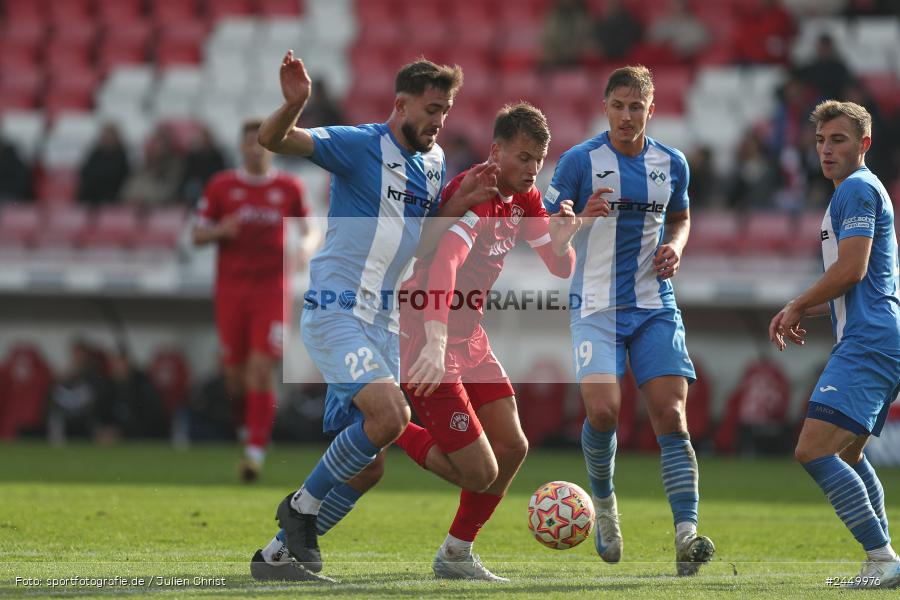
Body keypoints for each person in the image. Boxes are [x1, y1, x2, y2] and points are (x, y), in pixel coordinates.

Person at [250, 51, 499, 582]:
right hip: (338, 309)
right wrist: (294, 105)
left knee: (369, 466)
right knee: (391, 417)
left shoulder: (432, 164)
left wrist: (460, 205)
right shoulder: (360, 145)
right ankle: (299, 509)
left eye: (447, 110)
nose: (439, 121)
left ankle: (277, 558)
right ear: (401, 103)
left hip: (382, 322)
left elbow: (421, 240)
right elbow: (273, 142)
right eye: (432, 108)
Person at [398, 102, 582, 581]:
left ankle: (456, 554)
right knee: (478, 471)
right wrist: (435, 344)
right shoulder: (477, 192)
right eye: (522, 157)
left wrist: (564, 240)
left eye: (538, 160)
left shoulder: (524, 197)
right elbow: (444, 266)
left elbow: (558, 267)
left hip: (468, 336)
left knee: (514, 446)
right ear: (496, 151)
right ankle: (389, 425)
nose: (530, 169)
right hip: (426, 331)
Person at [543, 65, 715, 576]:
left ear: (650, 109)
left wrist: (676, 247)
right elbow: (549, 241)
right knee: (602, 412)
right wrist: (577, 224)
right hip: (595, 306)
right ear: (605, 107)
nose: (625, 115)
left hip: (653, 305)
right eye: (617, 106)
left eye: (635, 107)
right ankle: (606, 507)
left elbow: (681, 217)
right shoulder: (580, 161)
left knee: (672, 417)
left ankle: (686, 535)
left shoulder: (672, 163)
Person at [769, 100, 900, 589]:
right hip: (881, 336)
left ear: (864, 144)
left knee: (812, 450)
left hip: (869, 344)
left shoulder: (857, 190)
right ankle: (883, 562)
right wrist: (801, 306)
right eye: (821, 140)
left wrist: (800, 302)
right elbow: (860, 286)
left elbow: (852, 270)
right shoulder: (859, 192)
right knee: (847, 456)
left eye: (838, 140)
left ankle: (882, 557)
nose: (826, 149)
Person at [192, 119, 313, 482]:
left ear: (270, 147)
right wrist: (219, 231)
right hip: (231, 290)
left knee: (261, 369)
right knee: (235, 377)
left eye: (261, 144)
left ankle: (256, 449)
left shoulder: (288, 186)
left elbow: (310, 227)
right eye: (249, 144)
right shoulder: (222, 185)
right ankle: (250, 429)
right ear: (241, 147)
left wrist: (306, 248)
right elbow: (197, 234)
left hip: (271, 289)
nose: (256, 149)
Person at [77, 123, 130, 206]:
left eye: (110, 136)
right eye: (105, 136)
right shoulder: (95, 155)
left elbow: (121, 179)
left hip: (113, 200)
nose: (107, 139)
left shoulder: (121, 157)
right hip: (91, 198)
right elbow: (85, 174)